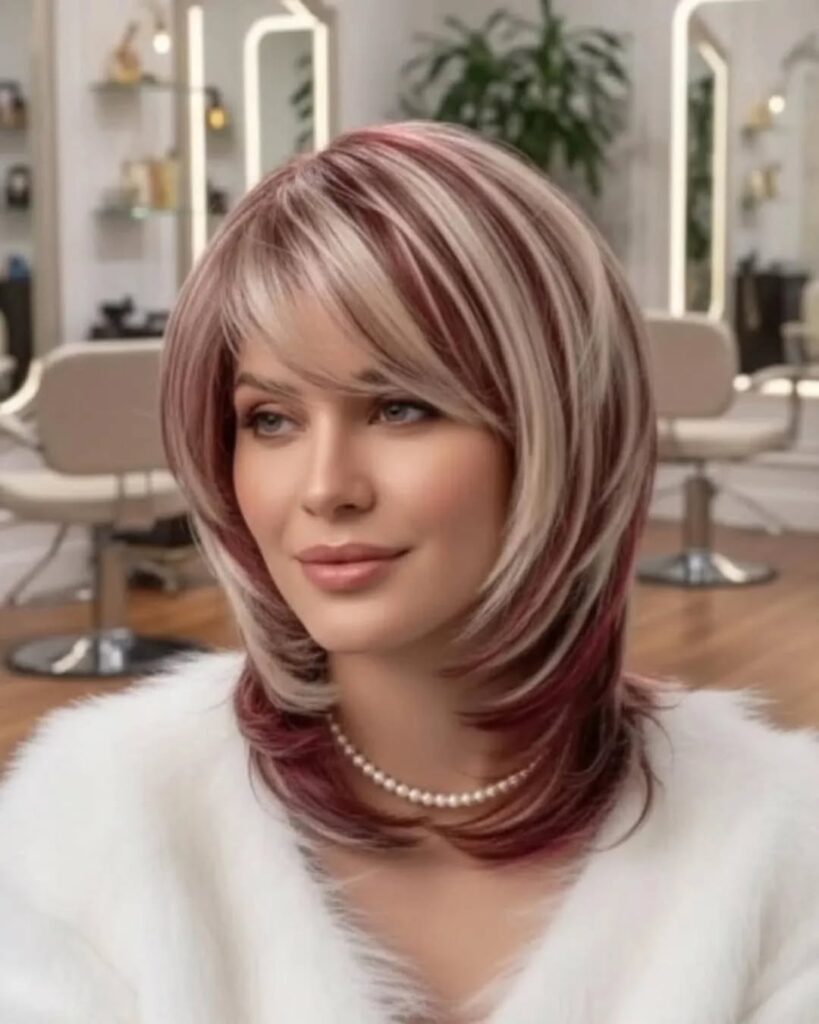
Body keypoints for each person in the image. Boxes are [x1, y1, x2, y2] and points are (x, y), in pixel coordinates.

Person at [0, 121, 817, 1024]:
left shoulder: (778, 852)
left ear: (560, 428)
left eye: (399, 408)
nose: (324, 488)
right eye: (270, 419)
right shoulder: (97, 825)